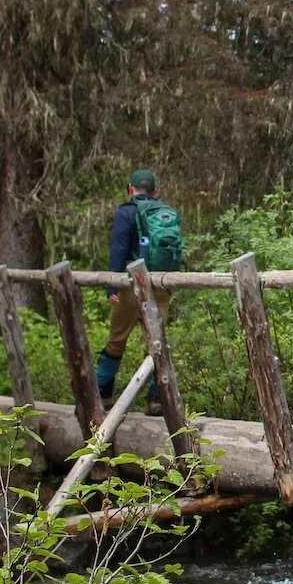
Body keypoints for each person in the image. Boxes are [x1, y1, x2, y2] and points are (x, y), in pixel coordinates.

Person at [98, 169, 184, 414]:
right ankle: (157, 401)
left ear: (130, 189)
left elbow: (119, 248)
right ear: (155, 192)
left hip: (130, 288)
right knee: (156, 343)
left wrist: (112, 284)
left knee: (116, 342)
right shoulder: (165, 214)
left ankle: (102, 397)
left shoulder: (126, 212)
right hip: (159, 287)